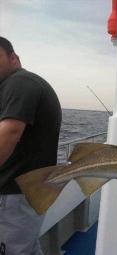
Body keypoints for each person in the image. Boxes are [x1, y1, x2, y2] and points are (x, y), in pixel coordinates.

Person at [0, 37, 61, 255]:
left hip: (14, 193)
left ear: (13, 58)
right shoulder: (17, 86)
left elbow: (10, 133)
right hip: (26, 191)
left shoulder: (21, 82)